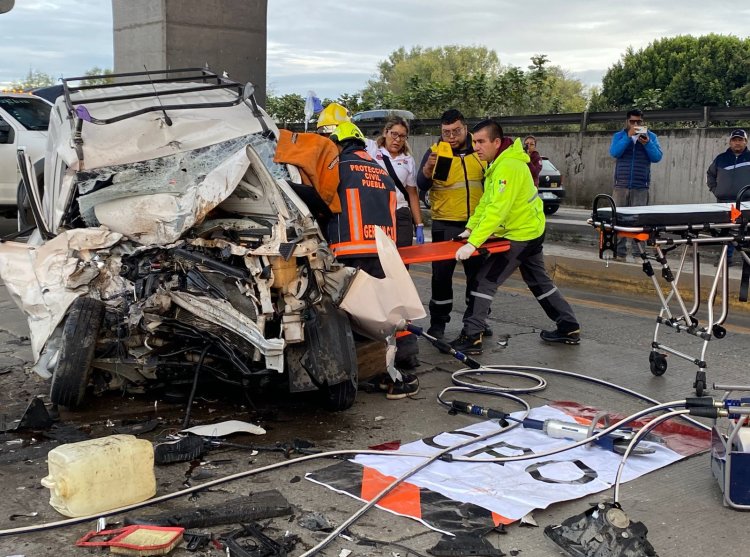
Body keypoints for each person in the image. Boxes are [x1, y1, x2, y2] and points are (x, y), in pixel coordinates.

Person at [450, 119, 580, 355]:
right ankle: (568, 326)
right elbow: (486, 204)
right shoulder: (498, 164)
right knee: (539, 282)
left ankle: (472, 336)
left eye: (481, 142)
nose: (476, 147)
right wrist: (470, 229)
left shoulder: (507, 167)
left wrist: (473, 243)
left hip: (520, 235)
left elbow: (497, 211)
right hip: (530, 231)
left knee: (484, 280)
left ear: (496, 142)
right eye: (474, 142)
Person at [326, 121, 419, 399]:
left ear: (339, 143)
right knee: (382, 312)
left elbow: (323, 203)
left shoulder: (339, 167)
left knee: (348, 313)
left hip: (349, 251)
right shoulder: (381, 171)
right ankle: (390, 370)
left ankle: (355, 372)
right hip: (381, 252)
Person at [416, 109, 487, 340]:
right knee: (441, 277)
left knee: (477, 277)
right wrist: (427, 170)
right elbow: (421, 185)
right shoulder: (435, 152)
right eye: (446, 132)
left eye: (456, 131)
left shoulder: (479, 152)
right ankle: (438, 323)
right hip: (445, 224)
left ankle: (476, 322)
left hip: (476, 226)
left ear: (465, 128)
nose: (451, 136)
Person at [365, 116, 423, 370]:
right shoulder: (371, 151)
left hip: (400, 215)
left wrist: (419, 224)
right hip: (378, 213)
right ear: (385, 133)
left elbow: (412, 193)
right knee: (380, 268)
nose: (398, 140)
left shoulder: (408, 160)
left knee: (401, 270)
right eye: (394, 134)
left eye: (403, 136)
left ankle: (402, 319)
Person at [609, 109, 663, 261]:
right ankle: (619, 253)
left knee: (639, 222)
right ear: (627, 122)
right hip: (621, 185)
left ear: (642, 122)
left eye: (638, 122)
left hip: (640, 186)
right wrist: (628, 137)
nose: (636, 124)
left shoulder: (651, 136)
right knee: (618, 220)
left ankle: (639, 254)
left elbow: (657, 157)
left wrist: (647, 143)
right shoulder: (619, 136)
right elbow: (615, 152)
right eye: (632, 122)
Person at [706, 128, 750, 266]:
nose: (737, 143)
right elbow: (710, 174)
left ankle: (747, 262)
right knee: (726, 230)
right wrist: (715, 190)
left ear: (745, 141)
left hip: (746, 201)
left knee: (747, 230)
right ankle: (725, 258)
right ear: (730, 142)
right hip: (724, 201)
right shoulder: (721, 159)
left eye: (740, 140)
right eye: (734, 140)